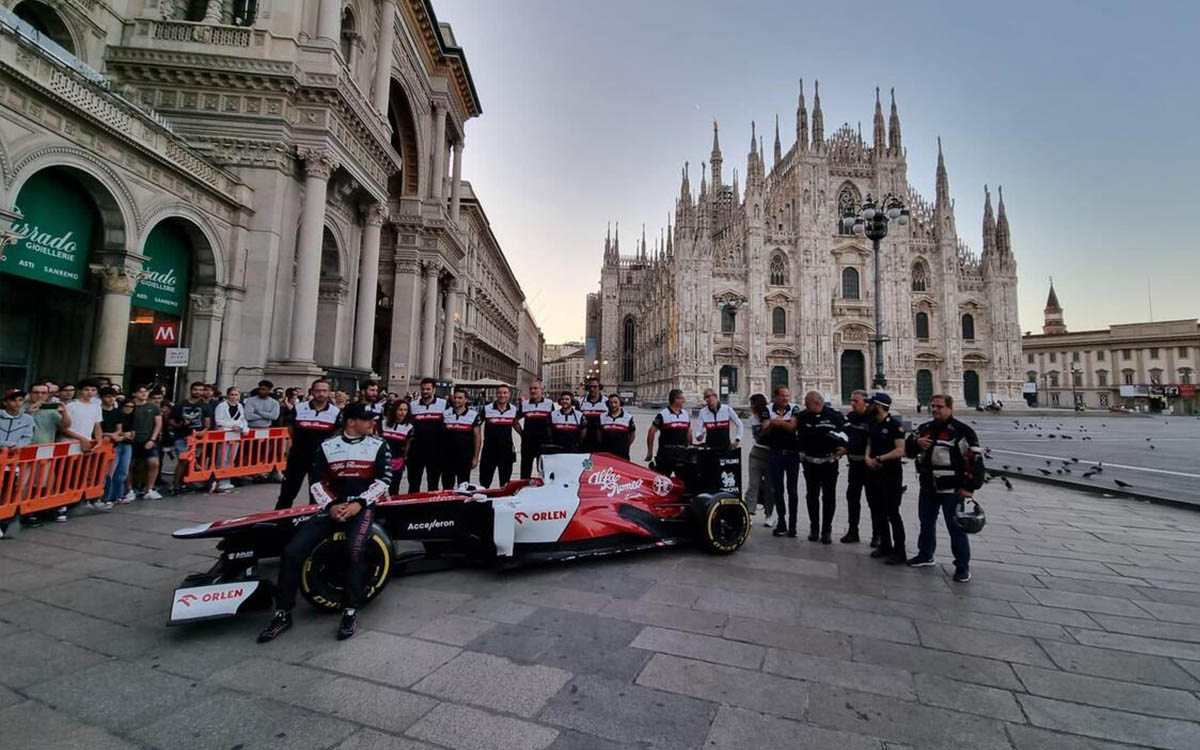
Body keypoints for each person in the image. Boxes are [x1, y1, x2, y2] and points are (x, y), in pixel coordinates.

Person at [257, 402, 391, 644]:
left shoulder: (379, 445)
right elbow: (316, 482)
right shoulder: (327, 446)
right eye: (367, 419)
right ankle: (282, 612)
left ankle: (350, 610)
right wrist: (330, 507)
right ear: (351, 422)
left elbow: (384, 481)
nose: (372, 423)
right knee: (291, 552)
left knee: (353, 551)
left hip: (361, 509)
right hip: (330, 509)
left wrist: (358, 504)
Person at [906, 394, 984, 583]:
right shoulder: (925, 429)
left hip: (952, 488)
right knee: (926, 523)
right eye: (932, 406)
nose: (935, 409)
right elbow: (908, 451)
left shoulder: (961, 431)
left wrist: (969, 487)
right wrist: (916, 443)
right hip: (928, 486)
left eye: (939, 406)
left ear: (949, 408)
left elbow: (975, 460)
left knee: (956, 528)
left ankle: (962, 566)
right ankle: (926, 555)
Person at [276, 379, 341, 510]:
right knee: (288, 492)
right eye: (318, 390)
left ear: (329, 393)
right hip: (298, 456)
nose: (321, 394)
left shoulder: (335, 412)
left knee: (317, 494)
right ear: (312, 391)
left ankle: (313, 521)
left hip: (321, 459)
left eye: (324, 391)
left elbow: (337, 433)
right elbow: (290, 426)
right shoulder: (299, 408)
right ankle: (279, 520)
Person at [796, 390, 847, 543]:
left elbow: (847, 433)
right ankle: (814, 528)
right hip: (810, 463)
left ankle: (827, 530)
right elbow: (798, 437)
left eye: (807, 402)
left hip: (829, 463)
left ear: (817, 402)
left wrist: (846, 449)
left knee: (829, 497)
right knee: (812, 496)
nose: (805, 404)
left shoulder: (834, 415)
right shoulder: (803, 416)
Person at [863, 393, 908, 564]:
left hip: (890, 474)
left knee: (892, 513)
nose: (868, 406)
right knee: (877, 511)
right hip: (873, 472)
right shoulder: (873, 423)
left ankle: (900, 551)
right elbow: (869, 443)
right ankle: (885, 545)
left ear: (879, 405)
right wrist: (867, 457)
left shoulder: (895, 426)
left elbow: (900, 450)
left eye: (871, 404)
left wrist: (880, 458)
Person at [760, 385, 800, 537]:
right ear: (776, 396)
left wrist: (777, 422)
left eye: (787, 396)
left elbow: (793, 428)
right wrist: (782, 423)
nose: (786, 398)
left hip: (792, 455)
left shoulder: (795, 408)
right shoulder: (767, 409)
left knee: (792, 490)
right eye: (783, 396)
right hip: (775, 454)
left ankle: (793, 524)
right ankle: (782, 521)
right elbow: (765, 428)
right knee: (778, 490)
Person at [168, 382, 210, 495]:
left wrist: (202, 432)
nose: (198, 392)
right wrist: (179, 425)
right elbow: (171, 420)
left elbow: (207, 424)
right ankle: (176, 485)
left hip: (197, 438)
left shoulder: (204, 406)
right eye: (195, 389)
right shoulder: (180, 404)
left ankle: (185, 483)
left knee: (192, 461)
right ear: (191, 390)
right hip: (182, 436)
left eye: (200, 390)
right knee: (183, 460)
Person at [841, 390, 872, 545]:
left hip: (870, 466)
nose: (852, 403)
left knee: (873, 501)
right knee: (852, 497)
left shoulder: (873, 419)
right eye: (851, 400)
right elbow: (845, 436)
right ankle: (853, 530)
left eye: (856, 401)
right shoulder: (851, 417)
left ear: (866, 403)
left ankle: (877, 534)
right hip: (854, 464)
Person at [407, 378, 447, 493]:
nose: (425, 391)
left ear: (434, 390)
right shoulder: (412, 405)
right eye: (423, 389)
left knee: (433, 484)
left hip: (436, 452)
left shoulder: (443, 404)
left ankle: (431, 510)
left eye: (428, 389)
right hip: (416, 452)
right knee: (413, 484)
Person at [479, 384, 519, 488]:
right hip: (489, 450)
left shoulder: (513, 409)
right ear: (496, 394)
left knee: (505, 482)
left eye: (505, 393)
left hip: (506, 450)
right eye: (500, 393)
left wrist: (525, 436)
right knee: (484, 480)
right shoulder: (487, 409)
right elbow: (476, 425)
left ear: (509, 395)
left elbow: (516, 424)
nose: (502, 395)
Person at [441, 388, 482, 488]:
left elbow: (478, 437)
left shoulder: (473, 415)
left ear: (466, 400)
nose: (456, 400)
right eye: (455, 397)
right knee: (447, 485)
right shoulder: (445, 414)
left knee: (463, 485)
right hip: (447, 457)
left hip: (465, 457)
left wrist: (475, 457)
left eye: (460, 398)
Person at [98, 387, 131, 509]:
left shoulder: (117, 412)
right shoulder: (98, 411)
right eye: (107, 396)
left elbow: (119, 429)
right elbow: (96, 430)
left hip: (114, 444)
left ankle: (114, 495)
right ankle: (104, 497)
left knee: (119, 471)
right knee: (106, 473)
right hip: (102, 444)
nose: (110, 399)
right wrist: (110, 435)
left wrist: (117, 435)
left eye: (112, 396)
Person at [130, 385, 164, 500]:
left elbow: (158, 423)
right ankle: (130, 489)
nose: (143, 394)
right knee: (131, 465)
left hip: (148, 439)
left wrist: (153, 439)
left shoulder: (153, 407)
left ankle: (149, 488)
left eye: (145, 392)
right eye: (140, 391)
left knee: (154, 463)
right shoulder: (130, 405)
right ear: (134, 393)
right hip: (132, 439)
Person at [646, 389, 691, 475]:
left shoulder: (686, 414)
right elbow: (651, 432)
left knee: (683, 480)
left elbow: (689, 431)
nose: (683, 401)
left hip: (682, 452)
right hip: (666, 453)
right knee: (663, 480)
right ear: (675, 399)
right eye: (682, 398)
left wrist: (689, 447)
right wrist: (650, 451)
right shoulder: (663, 414)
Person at [212, 386, 249, 492]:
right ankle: (220, 480)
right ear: (228, 395)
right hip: (225, 434)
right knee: (222, 457)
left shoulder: (240, 406)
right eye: (232, 394)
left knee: (231, 458)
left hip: (236, 435)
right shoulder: (221, 406)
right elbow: (219, 421)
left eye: (236, 395)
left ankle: (227, 479)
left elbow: (243, 419)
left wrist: (242, 428)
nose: (234, 397)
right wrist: (233, 425)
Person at [745, 393, 774, 523]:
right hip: (756, 453)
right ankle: (749, 513)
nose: (751, 406)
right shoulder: (752, 419)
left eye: (752, 404)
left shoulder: (770, 415)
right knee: (753, 485)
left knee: (769, 486)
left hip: (770, 454)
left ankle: (769, 514)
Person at [517, 380, 553, 479]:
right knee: (525, 470)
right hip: (528, 443)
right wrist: (522, 434)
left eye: (535, 388)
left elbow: (553, 422)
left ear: (542, 389)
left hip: (544, 442)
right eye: (531, 389)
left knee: (544, 471)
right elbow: (514, 421)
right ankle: (523, 491)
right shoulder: (524, 404)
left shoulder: (549, 404)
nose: (533, 391)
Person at [379, 399, 411, 493]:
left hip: (398, 462)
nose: (403, 412)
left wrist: (404, 458)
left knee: (394, 489)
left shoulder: (409, 427)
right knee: (380, 488)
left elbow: (408, 445)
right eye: (400, 409)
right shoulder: (383, 424)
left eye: (405, 410)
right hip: (383, 461)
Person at [65, 379, 102, 451]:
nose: (90, 392)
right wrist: (81, 438)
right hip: (69, 443)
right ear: (80, 391)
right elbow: (64, 428)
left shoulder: (97, 407)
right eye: (86, 390)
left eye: (93, 390)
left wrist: (99, 441)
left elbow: (97, 426)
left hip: (87, 443)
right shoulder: (70, 405)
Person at [598, 393, 635, 459]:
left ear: (620, 403)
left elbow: (632, 434)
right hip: (606, 453)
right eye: (611, 403)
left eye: (615, 402)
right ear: (608, 404)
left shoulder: (628, 417)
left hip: (622, 454)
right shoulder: (602, 416)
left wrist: (626, 445)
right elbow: (599, 433)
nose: (613, 405)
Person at [577, 377, 607, 451]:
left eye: (595, 387)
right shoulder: (581, 402)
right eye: (590, 387)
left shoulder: (607, 402)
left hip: (602, 440)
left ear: (599, 387)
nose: (592, 389)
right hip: (585, 440)